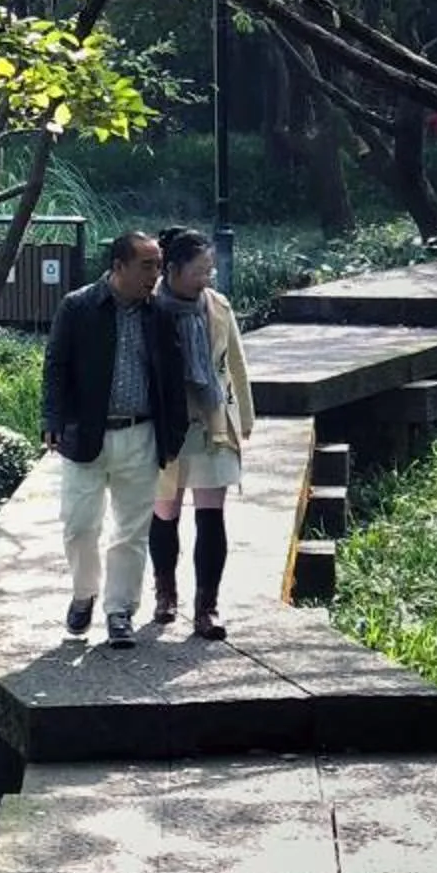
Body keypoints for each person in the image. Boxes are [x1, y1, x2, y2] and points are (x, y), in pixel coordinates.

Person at [40, 228, 181, 647]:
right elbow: (56, 366)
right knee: (79, 524)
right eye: (147, 265)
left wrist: (174, 434)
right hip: (85, 433)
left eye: (158, 265)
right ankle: (84, 594)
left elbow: (172, 378)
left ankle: (120, 610)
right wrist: (52, 416)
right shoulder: (78, 306)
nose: (155, 274)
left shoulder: (161, 313)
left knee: (131, 530)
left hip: (141, 432)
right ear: (118, 266)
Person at [149, 226, 256, 641]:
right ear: (172, 270)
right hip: (168, 427)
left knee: (212, 515)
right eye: (198, 271)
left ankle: (206, 607)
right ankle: (165, 594)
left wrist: (243, 418)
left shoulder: (218, 306)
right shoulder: (150, 309)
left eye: (210, 269)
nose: (206, 278)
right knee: (165, 512)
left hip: (213, 422)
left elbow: (236, 365)